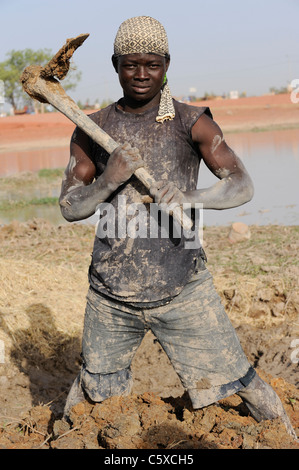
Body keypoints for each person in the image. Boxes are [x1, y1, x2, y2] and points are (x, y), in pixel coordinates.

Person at [59, 16, 297, 439]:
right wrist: (109, 180)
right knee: (92, 395)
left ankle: (287, 438)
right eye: (131, 64)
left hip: (184, 285)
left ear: (167, 63)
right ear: (115, 65)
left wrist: (193, 198)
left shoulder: (192, 121)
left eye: (152, 64)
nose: (141, 74)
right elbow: (70, 207)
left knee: (243, 385)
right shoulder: (92, 127)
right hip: (111, 292)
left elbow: (242, 185)